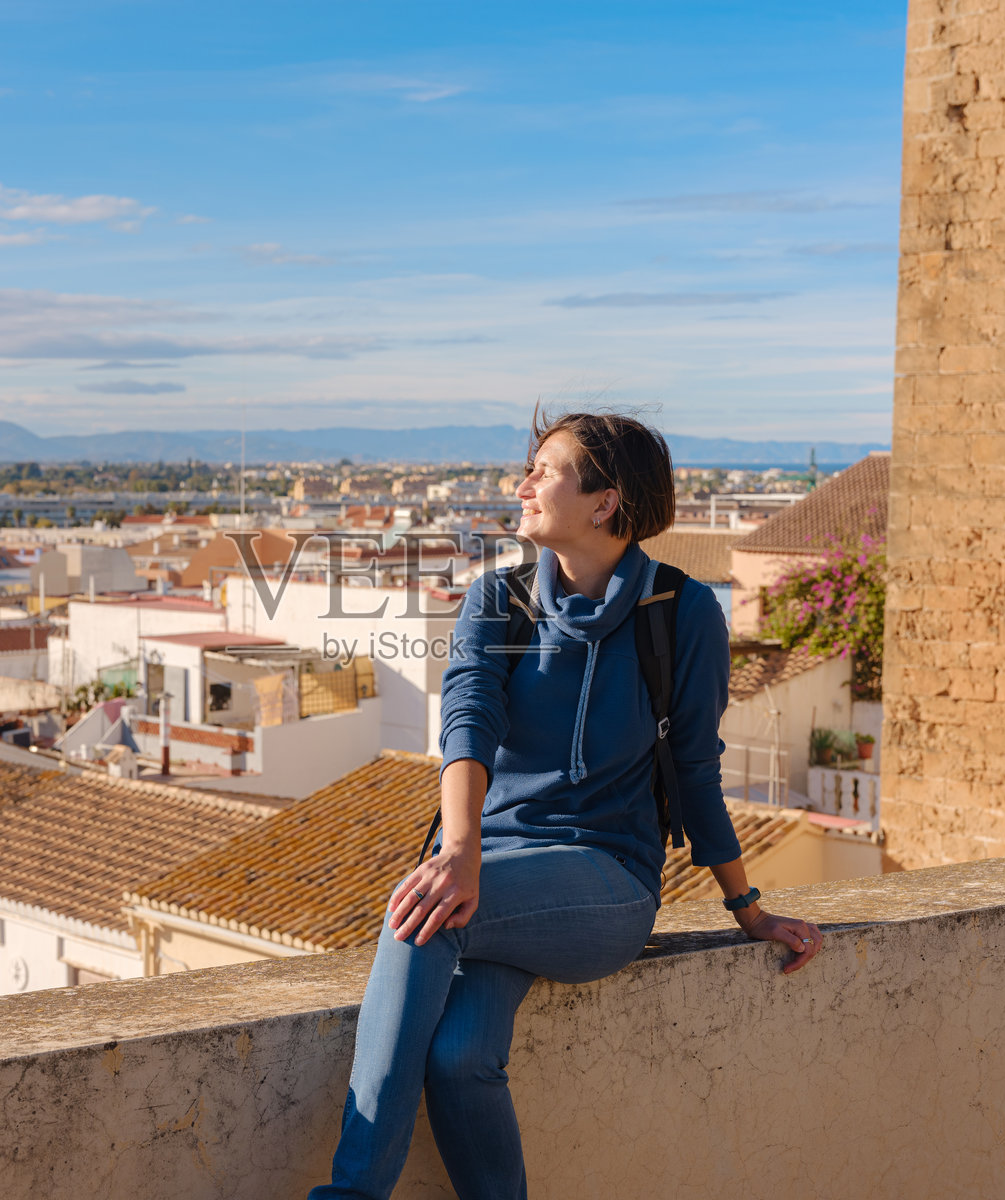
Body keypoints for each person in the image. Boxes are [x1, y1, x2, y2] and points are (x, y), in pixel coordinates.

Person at [308, 412, 824, 1200]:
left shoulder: (682, 614)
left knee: (422, 910)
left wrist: (747, 909)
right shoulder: (498, 598)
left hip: (607, 880)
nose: (521, 486)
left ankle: (349, 1195)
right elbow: (467, 721)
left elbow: (695, 770)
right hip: (495, 873)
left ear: (605, 502)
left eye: (545, 471)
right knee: (459, 1058)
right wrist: (460, 848)